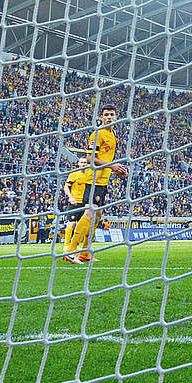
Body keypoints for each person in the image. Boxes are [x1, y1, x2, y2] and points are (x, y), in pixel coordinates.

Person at [62, 106, 128, 265]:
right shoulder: (97, 134)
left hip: (103, 181)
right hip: (92, 180)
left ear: (116, 117)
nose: (109, 117)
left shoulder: (113, 134)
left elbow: (105, 159)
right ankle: (71, 251)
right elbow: (90, 158)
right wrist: (112, 166)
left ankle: (85, 252)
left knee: (97, 216)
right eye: (106, 115)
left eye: (112, 114)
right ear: (101, 117)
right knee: (90, 213)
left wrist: (116, 170)